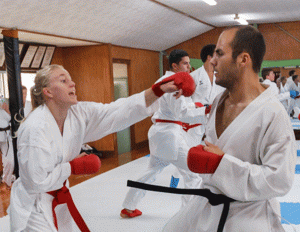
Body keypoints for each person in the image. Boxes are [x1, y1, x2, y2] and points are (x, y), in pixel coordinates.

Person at [8, 64, 190, 232]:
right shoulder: (35, 128)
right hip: (34, 206)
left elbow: (117, 111)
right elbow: (35, 181)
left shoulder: (78, 113)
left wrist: (156, 91)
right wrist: (72, 167)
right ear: (48, 92)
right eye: (63, 80)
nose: (72, 83)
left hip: (57, 197)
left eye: (70, 79)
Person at [163, 25, 296, 232]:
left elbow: (279, 180)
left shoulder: (272, 114)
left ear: (243, 59)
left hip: (249, 215)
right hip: (208, 206)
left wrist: (221, 164)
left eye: (219, 53)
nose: (212, 60)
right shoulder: (218, 100)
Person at [120, 49, 206, 218]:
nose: (189, 67)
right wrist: (205, 110)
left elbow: (181, 109)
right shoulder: (175, 83)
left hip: (161, 132)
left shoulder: (164, 80)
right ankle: (188, 217)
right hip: (168, 134)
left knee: (152, 171)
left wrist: (197, 107)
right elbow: (182, 113)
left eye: (189, 63)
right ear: (175, 65)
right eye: (185, 63)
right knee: (193, 173)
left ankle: (128, 206)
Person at [189, 44, 225, 145]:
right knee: (193, 144)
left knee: (213, 144)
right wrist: (194, 106)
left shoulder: (218, 76)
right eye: (216, 55)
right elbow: (186, 99)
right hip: (197, 116)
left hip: (214, 115)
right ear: (209, 57)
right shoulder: (194, 76)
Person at [0, 86, 32, 188]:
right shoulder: (6, 103)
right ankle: (6, 182)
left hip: (25, 136)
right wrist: (7, 111)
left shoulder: (29, 105)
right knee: (10, 161)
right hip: (8, 136)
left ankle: (24, 180)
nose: (23, 96)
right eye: (21, 94)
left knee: (26, 159)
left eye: (25, 94)